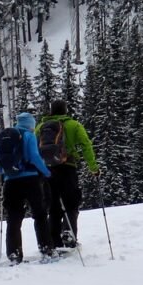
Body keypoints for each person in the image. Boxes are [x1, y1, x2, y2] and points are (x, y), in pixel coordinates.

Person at [36, 99, 99, 248]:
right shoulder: (73, 125)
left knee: (53, 206)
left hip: (48, 170)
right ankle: (69, 233)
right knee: (72, 202)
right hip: (68, 167)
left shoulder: (40, 127)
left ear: (51, 111)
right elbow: (86, 144)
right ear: (65, 110)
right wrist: (93, 167)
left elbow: (34, 149)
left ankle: (54, 241)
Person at [0, 111, 53, 264]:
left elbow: (0, 162)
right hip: (30, 180)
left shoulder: (6, 136)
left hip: (10, 182)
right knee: (40, 215)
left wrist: (6, 176)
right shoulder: (29, 136)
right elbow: (34, 157)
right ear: (31, 124)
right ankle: (46, 249)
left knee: (14, 219)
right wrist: (46, 172)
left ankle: (14, 254)